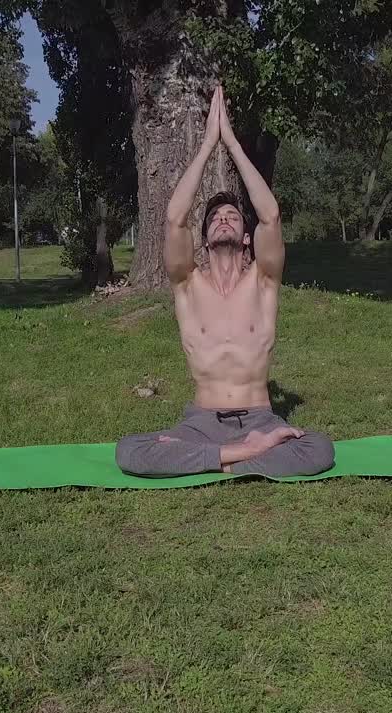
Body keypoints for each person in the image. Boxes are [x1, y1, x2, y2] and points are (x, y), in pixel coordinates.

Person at [116, 85, 335, 478]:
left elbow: (270, 216)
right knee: (128, 452)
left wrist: (231, 142)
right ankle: (242, 456)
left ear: (246, 237)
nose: (224, 218)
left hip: (260, 419)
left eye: (233, 216)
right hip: (200, 423)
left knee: (320, 449)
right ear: (204, 238)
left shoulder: (263, 282)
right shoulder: (187, 284)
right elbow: (174, 219)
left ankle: (221, 457)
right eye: (215, 218)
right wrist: (206, 145)